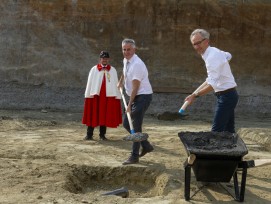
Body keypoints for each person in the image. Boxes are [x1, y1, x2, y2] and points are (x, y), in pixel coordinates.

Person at [184, 28, 239, 133]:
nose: (196, 47)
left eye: (198, 43)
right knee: (229, 131)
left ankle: (221, 149)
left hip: (227, 96)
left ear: (206, 41)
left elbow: (212, 85)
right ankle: (232, 148)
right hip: (227, 95)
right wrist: (223, 61)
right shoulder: (212, 52)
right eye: (194, 44)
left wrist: (194, 96)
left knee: (216, 131)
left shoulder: (212, 56)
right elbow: (229, 55)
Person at [118, 38, 154, 165]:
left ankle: (134, 156)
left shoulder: (137, 64)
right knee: (126, 124)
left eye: (129, 49)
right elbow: (124, 70)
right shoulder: (126, 60)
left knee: (135, 125)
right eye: (124, 49)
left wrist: (129, 104)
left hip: (142, 96)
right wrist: (121, 81)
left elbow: (136, 87)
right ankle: (146, 145)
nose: (126, 52)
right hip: (135, 97)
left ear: (134, 49)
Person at [82, 51, 122, 140]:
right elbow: (90, 82)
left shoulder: (113, 70)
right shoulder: (94, 69)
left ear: (109, 59)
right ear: (100, 59)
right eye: (103, 58)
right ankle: (89, 134)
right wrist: (88, 94)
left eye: (106, 58)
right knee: (93, 114)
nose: (105, 60)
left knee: (104, 115)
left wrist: (117, 95)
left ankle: (102, 135)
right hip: (96, 96)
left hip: (108, 97)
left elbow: (115, 83)